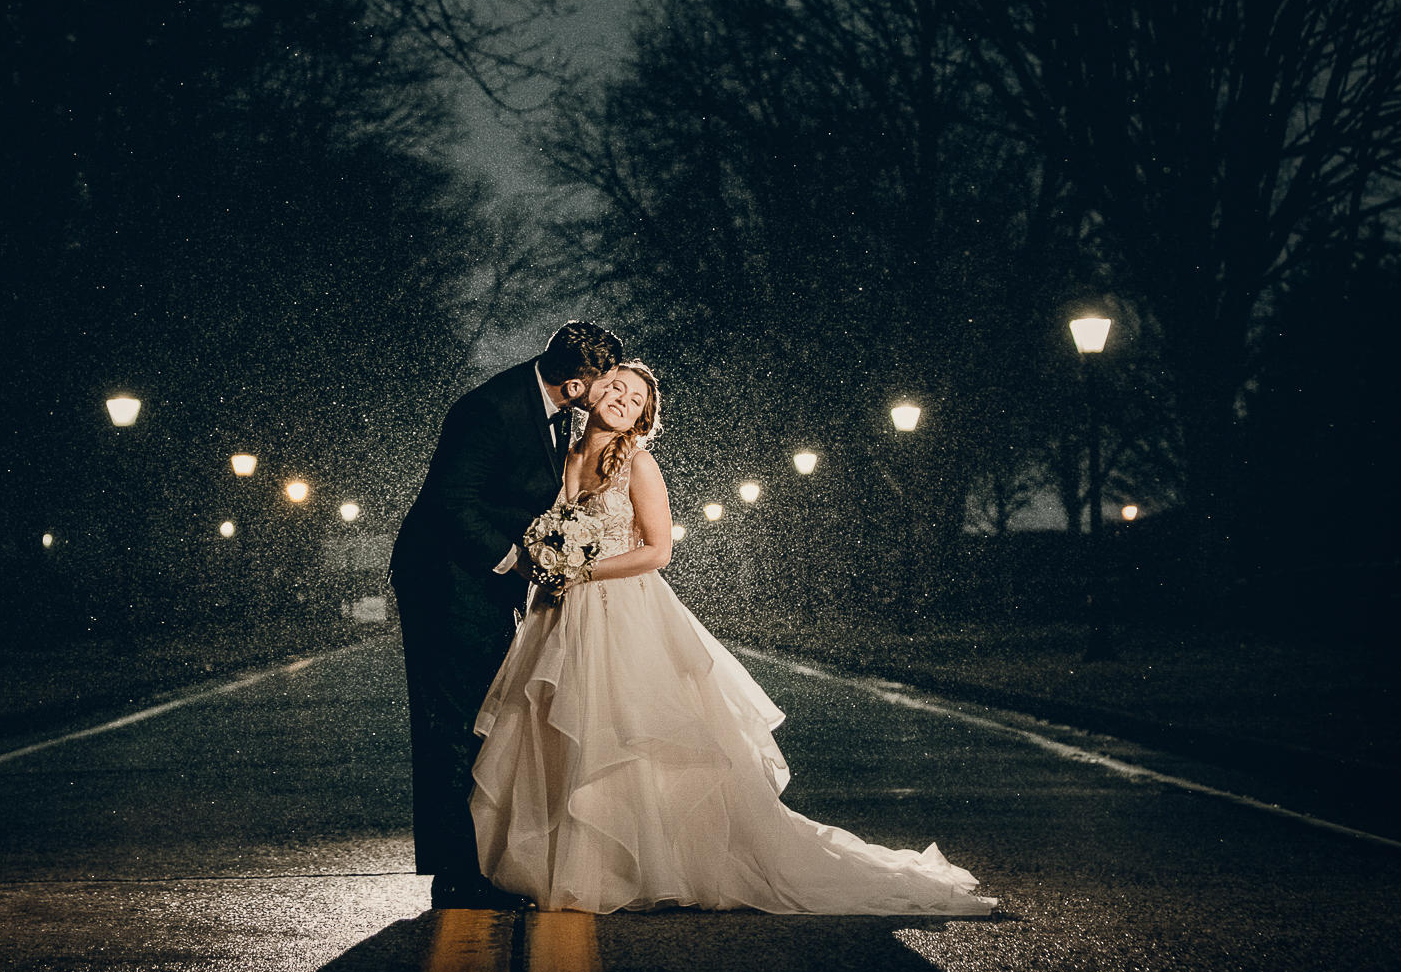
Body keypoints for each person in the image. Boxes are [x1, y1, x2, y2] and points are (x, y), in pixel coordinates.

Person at [470, 362, 998, 915]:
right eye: (617, 387)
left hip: (622, 612)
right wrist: (548, 563)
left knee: (623, 738)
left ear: (643, 416)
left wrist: (580, 571)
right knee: (562, 732)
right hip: (559, 614)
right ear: (595, 390)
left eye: (636, 397)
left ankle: (643, 865)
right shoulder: (560, 456)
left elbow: (657, 551)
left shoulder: (639, 465)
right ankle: (572, 863)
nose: (623, 399)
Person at [391, 321, 625, 910]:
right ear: (575, 385)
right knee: (453, 723)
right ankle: (457, 875)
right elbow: (453, 503)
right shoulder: (490, 410)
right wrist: (520, 561)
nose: (610, 395)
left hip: (481, 586)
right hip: (445, 583)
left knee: (481, 719)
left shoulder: (549, 405)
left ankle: (478, 864)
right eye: (603, 388)